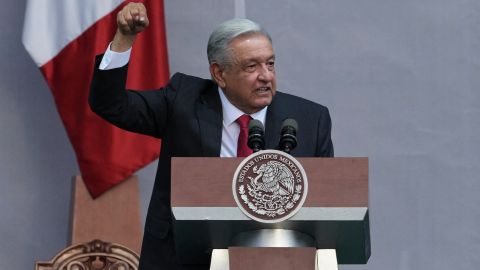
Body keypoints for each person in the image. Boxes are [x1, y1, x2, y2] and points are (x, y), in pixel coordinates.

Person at [89, 2, 333, 270]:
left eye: (270, 64)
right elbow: (111, 105)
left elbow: (326, 206)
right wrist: (125, 38)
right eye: (251, 67)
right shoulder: (182, 101)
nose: (266, 76)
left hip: (275, 261)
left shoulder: (309, 119)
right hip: (183, 259)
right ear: (219, 73)